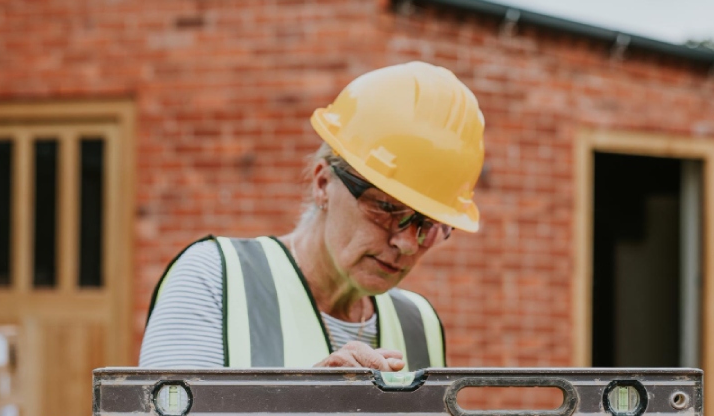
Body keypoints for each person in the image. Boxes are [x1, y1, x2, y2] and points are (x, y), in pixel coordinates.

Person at [139, 61, 485, 371]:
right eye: (386, 208)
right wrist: (306, 415)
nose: (408, 243)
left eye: (430, 225)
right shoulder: (214, 279)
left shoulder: (419, 323)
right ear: (323, 183)